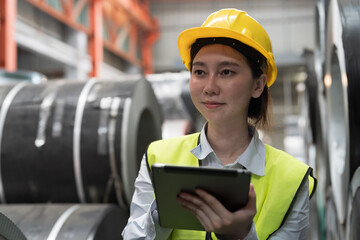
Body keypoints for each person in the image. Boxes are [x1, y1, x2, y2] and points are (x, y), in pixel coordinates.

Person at [122, 8, 316, 240]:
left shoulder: (292, 179)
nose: (209, 87)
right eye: (200, 72)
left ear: (258, 85)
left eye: (226, 72)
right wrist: (161, 212)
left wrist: (240, 235)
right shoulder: (158, 157)